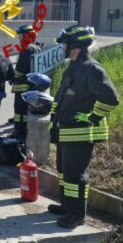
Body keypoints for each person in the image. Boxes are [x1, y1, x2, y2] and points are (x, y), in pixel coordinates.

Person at [48, 25, 119, 229]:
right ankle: (67, 207)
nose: (62, 47)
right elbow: (62, 99)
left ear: (75, 46)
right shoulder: (74, 67)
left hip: (80, 133)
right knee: (64, 172)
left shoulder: (92, 69)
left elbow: (111, 99)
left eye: (64, 44)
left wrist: (92, 117)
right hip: (66, 131)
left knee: (75, 175)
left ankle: (77, 215)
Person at [9, 25, 42, 140]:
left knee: (19, 113)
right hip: (31, 86)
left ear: (27, 36)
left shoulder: (27, 50)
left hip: (22, 87)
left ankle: (19, 133)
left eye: (21, 36)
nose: (19, 38)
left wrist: (11, 75)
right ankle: (23, 133)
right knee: (25, 113)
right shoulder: (37, 48)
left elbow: (19, 71)